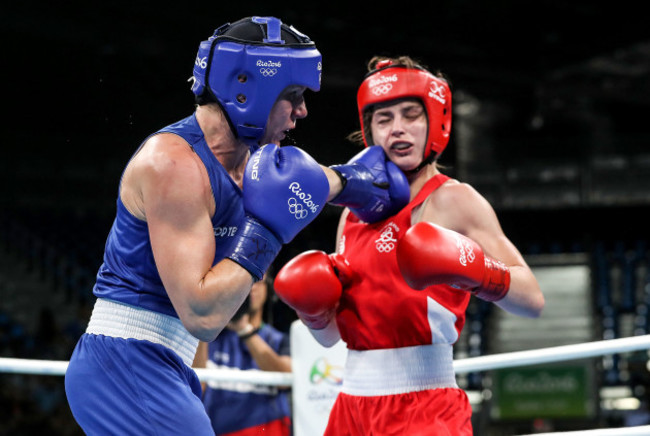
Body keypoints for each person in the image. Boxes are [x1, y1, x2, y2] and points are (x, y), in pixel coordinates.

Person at [63, 17, 410, 436]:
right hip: (125, 362)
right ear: (249, 89)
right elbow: (203, 314)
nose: (302, 111)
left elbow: (315, 181)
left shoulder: (253, 164)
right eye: (293, 96)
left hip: (166, 362)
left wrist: (361, 184)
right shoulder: (173, 165)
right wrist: (267, 231)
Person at [274, 56, 546, 435]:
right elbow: (332, 336)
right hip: (351, 406)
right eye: (384, 119)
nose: (398, 129)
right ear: (370, 131)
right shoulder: (351, 215)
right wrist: (314, 311)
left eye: (410, 115)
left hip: (425, 404)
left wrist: (479, 271)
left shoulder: (454, 200)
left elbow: (532, 300)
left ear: (435, 121)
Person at [195, 273, 292, 435]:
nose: (251, 287)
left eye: (257, 280)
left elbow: (286, 380)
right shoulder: (208, 339)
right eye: (245, 281)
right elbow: (196, 388)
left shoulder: (278, 340)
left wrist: (244, 329)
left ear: (268, 289)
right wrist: (206, 324)